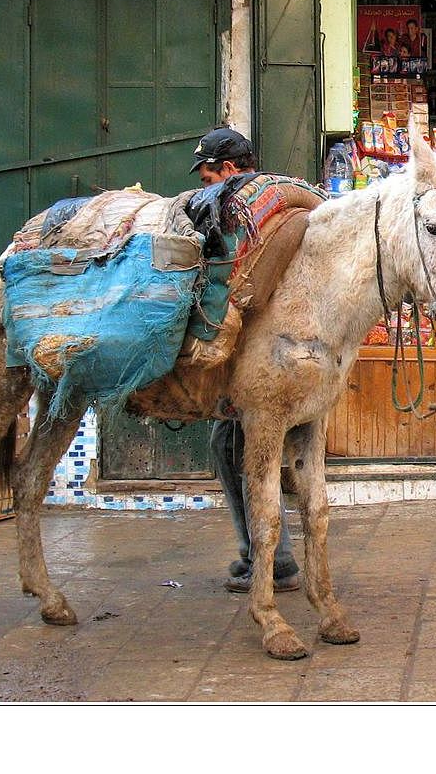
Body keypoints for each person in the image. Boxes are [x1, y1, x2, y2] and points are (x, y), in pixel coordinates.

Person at [190, 126, 302, 594]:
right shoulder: (282, 202)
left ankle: (272, 560)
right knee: (231, 446)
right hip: (285, 359)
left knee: (236, 448)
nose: (203, 189)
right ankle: (272, 556)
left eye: (207, 176)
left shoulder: (242, 209)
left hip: (264, 364)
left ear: (230, 170)